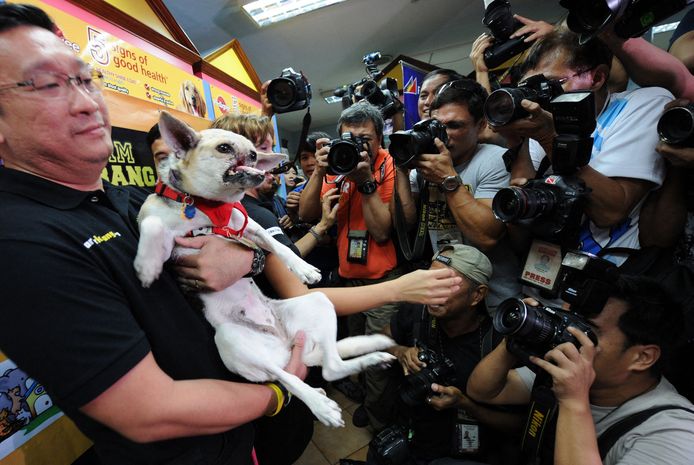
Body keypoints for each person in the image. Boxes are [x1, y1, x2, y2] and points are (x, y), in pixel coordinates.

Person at [0, 4, 464, 464]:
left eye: (84, 79)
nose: (86, 101)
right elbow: (147, 411)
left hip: (242, 428)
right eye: (45, 84)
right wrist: (283, 393)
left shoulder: (132, 202)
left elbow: (260, 267)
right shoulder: (22, 243)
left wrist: (250, 257)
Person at [466, 276, 694, 465]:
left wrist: (573, 402)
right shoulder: (573, 375)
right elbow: (484, 391)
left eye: (588, 330)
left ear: (643, 357)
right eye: (571, 321)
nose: (572, 334)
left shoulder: (675, 435)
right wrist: (516, 339)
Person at [496, 29, 672, 267]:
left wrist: (549, 138)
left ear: (597, 77)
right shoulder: (543, 120)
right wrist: (517, 140)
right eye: (531, 88)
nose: (540, 97)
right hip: (542, 275)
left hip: (610, 278)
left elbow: (609, 212)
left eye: (550, 85)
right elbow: (519, 215)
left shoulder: (643, 105)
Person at [298, 102, 401, 430]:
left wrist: (365, 180)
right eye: (349, 137)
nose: (356, 145)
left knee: (378, 361)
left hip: (382, 282)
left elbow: (382, 231)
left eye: (364, 139)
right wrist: (318, 170)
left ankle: (380, 422)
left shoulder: (388, 165)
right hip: (348, 278)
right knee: (356, 349)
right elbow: (306, 214)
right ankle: (371, 407)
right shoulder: (338, 163)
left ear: (380, 139)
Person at [379, 244, 523, 465]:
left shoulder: (498, 347)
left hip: (462, 454)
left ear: (477, 295)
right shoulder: (419, 312)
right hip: (410, 436)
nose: (431, 292)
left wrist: (465, 404)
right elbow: (382, 340)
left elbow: (518, 425)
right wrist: (401, 351)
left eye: (446, 284)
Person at [393, 78, 521, 312]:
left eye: (455, 125)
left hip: (494, 296)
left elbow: (487, 237)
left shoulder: (495, 160)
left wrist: (447, 180)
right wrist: (401, 168)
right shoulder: (426, 164)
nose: (444, 135)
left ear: (481, 125)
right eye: (438, 126)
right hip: (448, 297)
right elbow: (407, 222)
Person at [211, 113, 338, 259]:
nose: (274, 158)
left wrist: (293, 216)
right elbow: (289, 267)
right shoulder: (254, 214)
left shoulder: (229, 206)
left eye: (272, 148)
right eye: (264, 148)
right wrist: (322, 225)